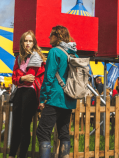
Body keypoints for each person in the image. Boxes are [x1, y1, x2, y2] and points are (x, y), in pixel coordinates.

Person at [36, 25, 78, 158]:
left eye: (51, 35)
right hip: (69, 98)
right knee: (63, 132)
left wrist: (43, 99)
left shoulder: (54, 52)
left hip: (54, 97)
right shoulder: (73, 53)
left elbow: (48, 77)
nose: (49, 37)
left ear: (57, 36)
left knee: (43, 132)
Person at [9, 30, 46, 158]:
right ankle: (11, 154)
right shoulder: (19, 58)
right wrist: (22, 79)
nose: (28, 43)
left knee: (24, 127)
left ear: (34, 43)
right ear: (22, 43)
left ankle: (22, 155)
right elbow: (14, 79)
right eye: (26, 41)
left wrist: (21, 78)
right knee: (16, 126)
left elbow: (32, 77)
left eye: (30, 41)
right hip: (19, 92)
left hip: (30, 92)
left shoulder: (36, 58)